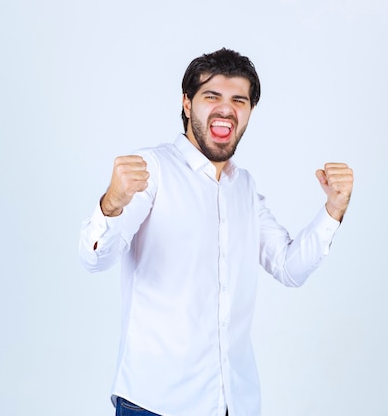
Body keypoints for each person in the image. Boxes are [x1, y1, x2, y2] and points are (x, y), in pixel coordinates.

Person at [79, 48, 354, 416]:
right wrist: (111, 203)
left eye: (238, 100)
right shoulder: (152, 170)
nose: (226, 108)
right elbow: (95, 258)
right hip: (156, 403)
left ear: (249, 113)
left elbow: (289, 267)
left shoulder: (244, 188)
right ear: (187, 104)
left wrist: (334, 207)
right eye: (212, 96)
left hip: (233, 404)